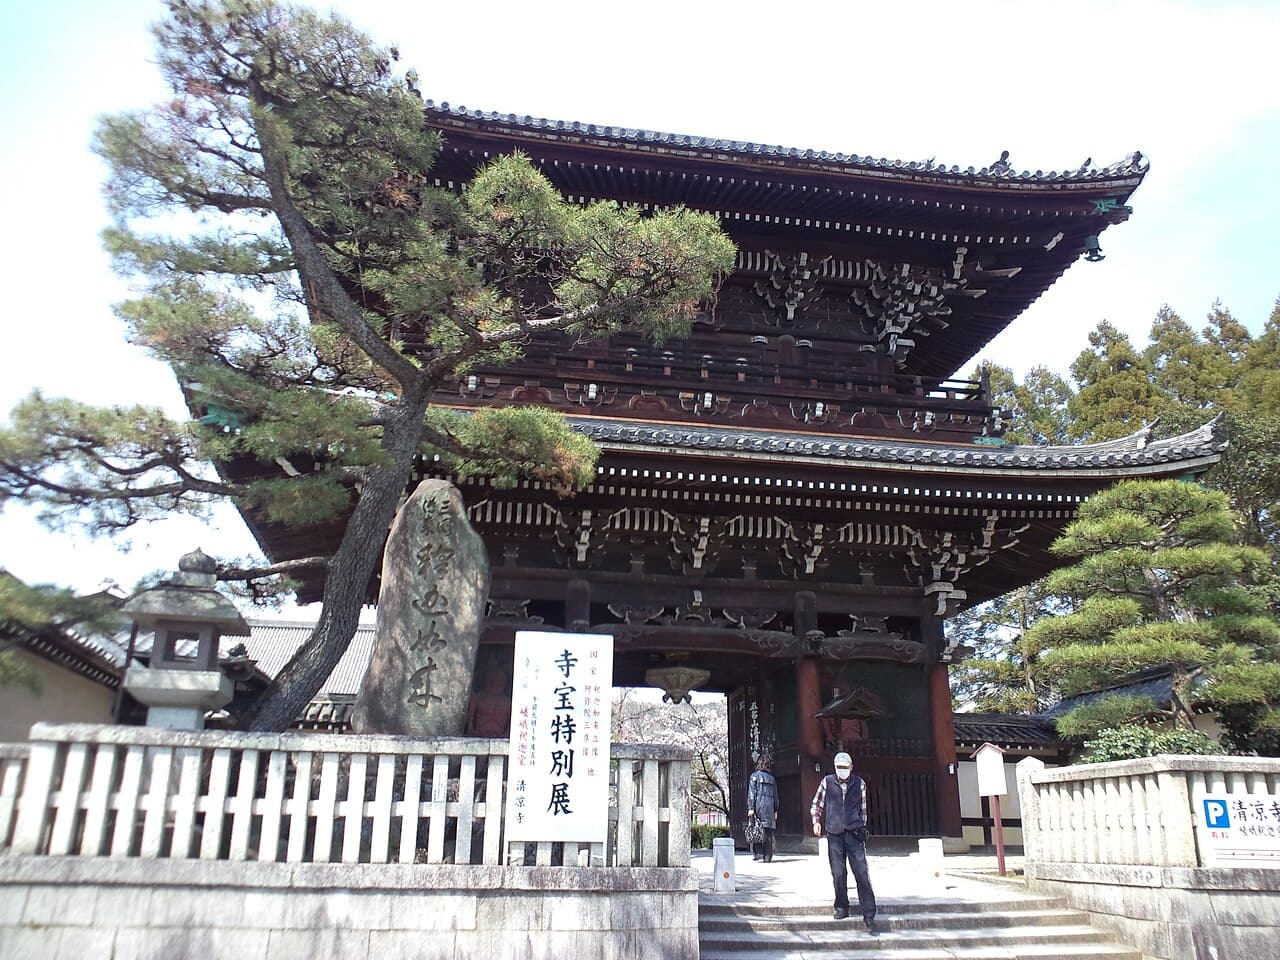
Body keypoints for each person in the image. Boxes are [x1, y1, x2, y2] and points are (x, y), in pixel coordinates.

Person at [810, 751, 878, 932]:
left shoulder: (859, 784)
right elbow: (817, 804)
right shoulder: (827, 782)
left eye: (844, 767)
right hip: (834, 833)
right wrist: (816, 821)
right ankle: (841, 906)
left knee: (861, 872)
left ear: (851, 767)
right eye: (839, 767)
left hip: (854, 833)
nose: (842, 770)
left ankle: (869, 913)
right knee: (838, 873)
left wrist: (862, 828)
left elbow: (863, 809)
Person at [746, 756, 779, 862]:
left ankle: (758, 853)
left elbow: (752, 794)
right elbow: (775, 796)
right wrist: (775, 809)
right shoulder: (772, 779)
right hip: (769, 807)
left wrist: (751, 808)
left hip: (758, 806)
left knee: (757, 828)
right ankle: (768, 856)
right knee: (768, 832)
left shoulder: (754, 776)